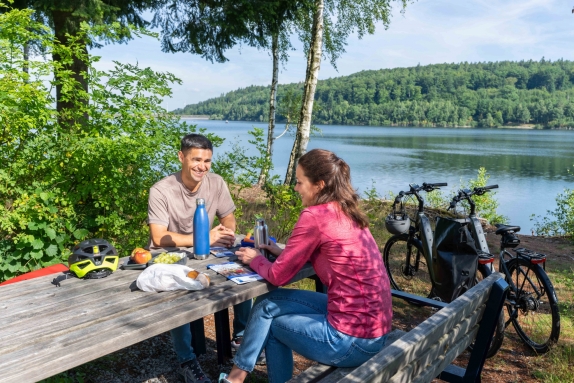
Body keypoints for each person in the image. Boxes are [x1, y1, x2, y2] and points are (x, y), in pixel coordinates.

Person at [219, 149, 393, 383]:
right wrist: (283, 252)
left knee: (272, 324)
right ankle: (235, 378)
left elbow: (277, 276)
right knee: (267, 303)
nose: (296, 188)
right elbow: (333, 256)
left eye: (300, 182)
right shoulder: (346, 210)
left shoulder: (314, 215)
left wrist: (254, 259)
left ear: (319, 185)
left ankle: (235, 379)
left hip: (350, 342)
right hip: (374, 331)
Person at [147, 133, 252, 383]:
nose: (201, 167)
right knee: (178, 293)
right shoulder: (161, 190)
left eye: (207, 161)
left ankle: (241, 338)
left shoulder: (216, 182)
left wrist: (227, 232)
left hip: (206, 251)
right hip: (169, 257)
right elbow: (159, 237)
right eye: (196, 160)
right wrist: (205, 236)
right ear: (181, 157)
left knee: (242, 271)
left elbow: (228, 217)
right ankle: (187, 360)